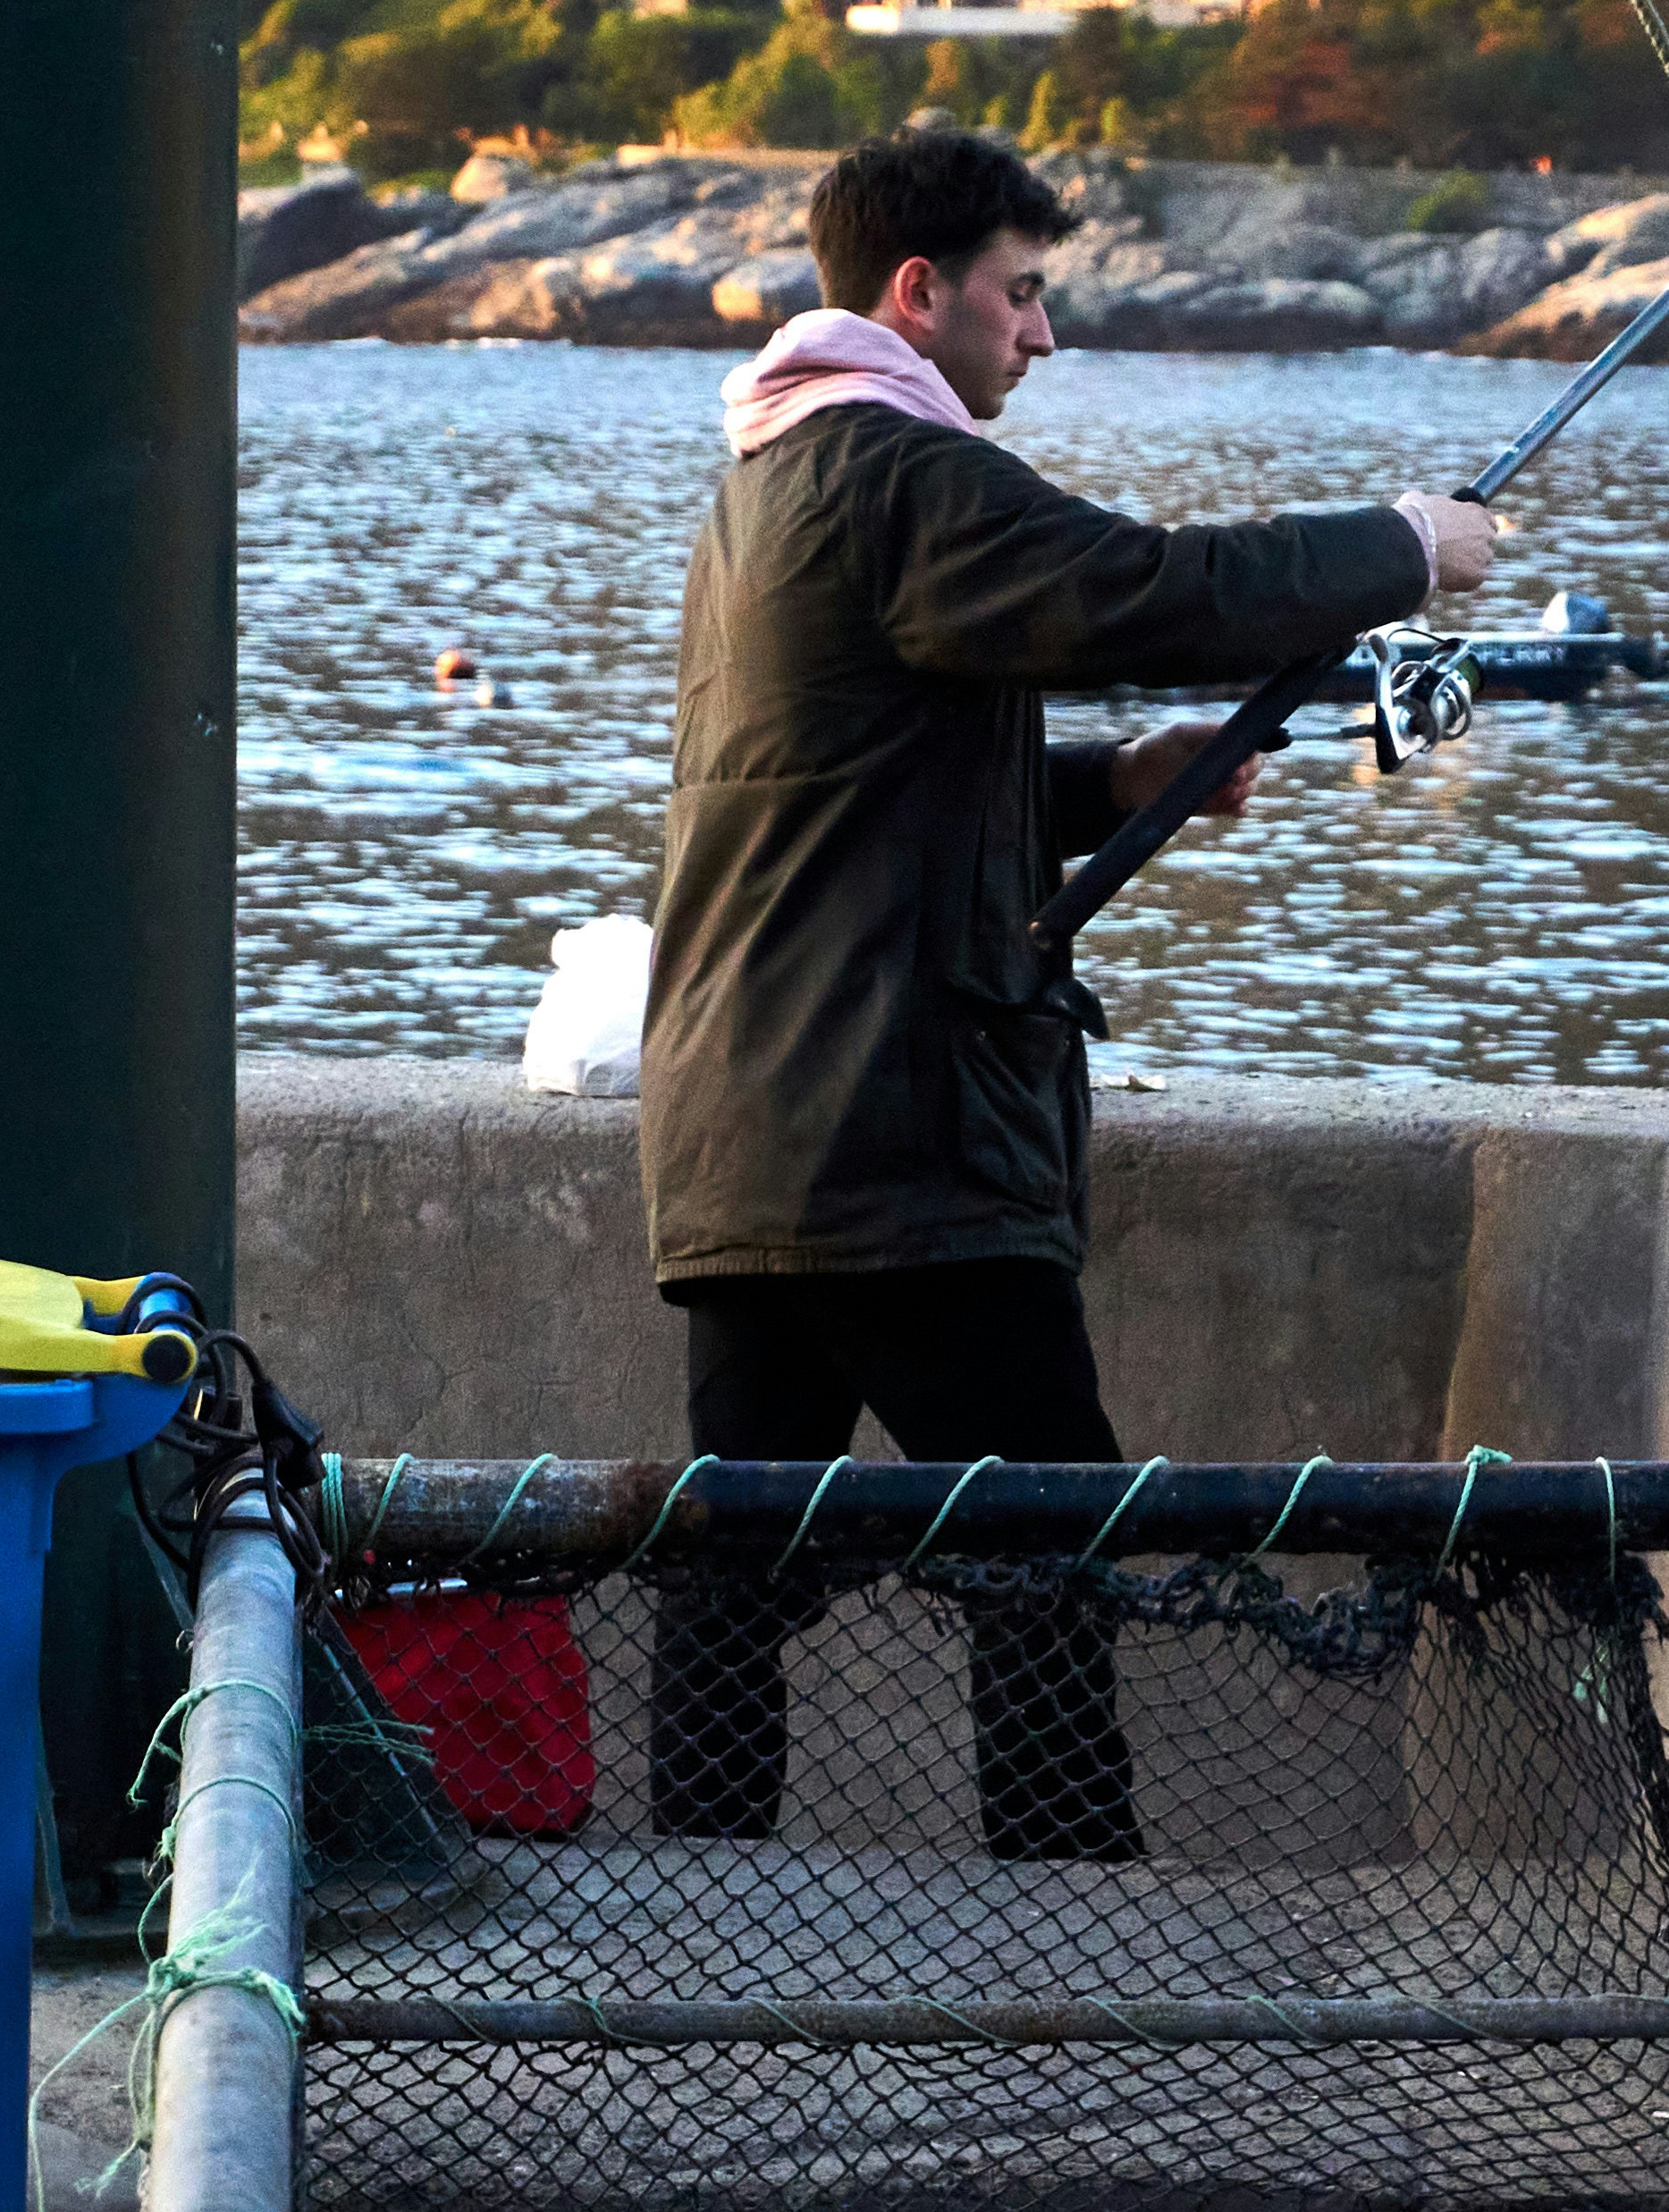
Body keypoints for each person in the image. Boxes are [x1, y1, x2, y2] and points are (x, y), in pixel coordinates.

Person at [637, 124, 1496, 1855]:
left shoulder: (763, 491)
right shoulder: (896, 469)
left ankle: (693, 1903)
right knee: (1051, 1539)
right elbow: (1145, 586)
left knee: (737, 1567)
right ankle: (1070, 1921)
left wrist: (1109, 781)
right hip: (899, 1145)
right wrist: (1405, 547)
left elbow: (845, 798)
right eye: (1020, 295)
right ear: (917, 293)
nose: (1038, 334)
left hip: (745, 1132)